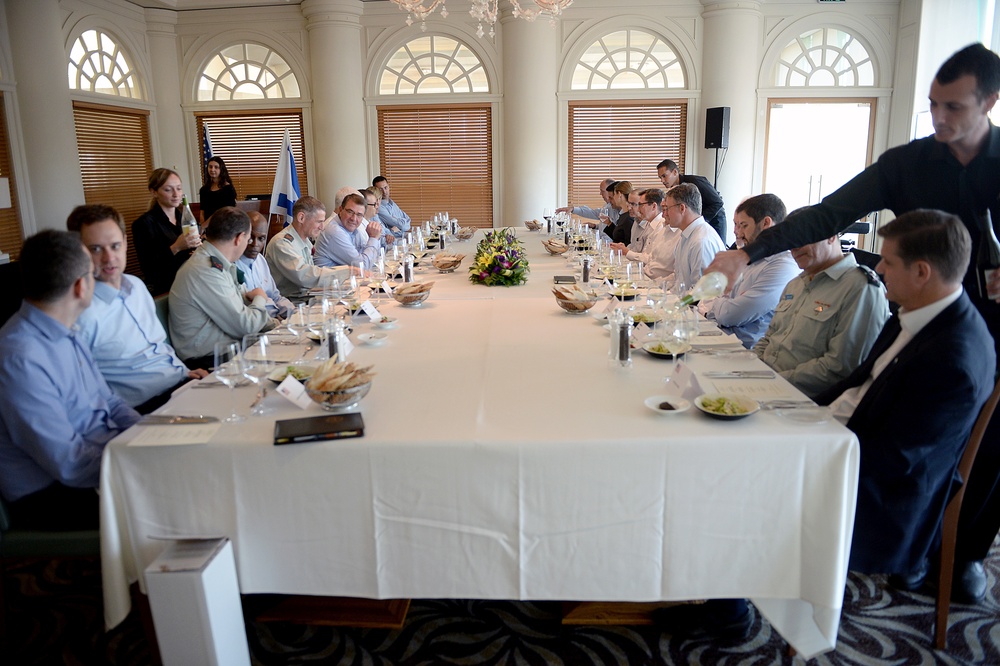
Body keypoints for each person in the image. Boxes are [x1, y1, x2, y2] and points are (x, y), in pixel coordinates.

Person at [706, 43, 1000, 602]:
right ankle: (900, 533)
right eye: (933, 104)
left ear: (989, 101)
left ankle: (960, 554)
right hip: (919, 306)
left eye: (954, 108)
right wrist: (748, 253)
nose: (939, 119)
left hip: (981, 319)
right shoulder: (909, 164)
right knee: (876, 399)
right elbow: (828, 214)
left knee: (987, 448)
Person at [817, 210, 994, 578]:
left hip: (882, 495)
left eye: (888, 260)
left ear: (921, 272)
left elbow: (894, 459)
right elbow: (857, 382)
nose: (878, 268)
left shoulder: (952, 359)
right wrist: (796, 410)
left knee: (742, 476)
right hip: (846, 439)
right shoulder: (916, 310)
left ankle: (729, 609)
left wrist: (801, 451)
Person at [0, 230, 140, 530]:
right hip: (52, 495)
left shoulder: (66, 329)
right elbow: (69, 463)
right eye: (92, 273)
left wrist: (146, 435)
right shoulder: (19, 357)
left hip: (101, 459)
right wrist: (135, 460)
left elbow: (111, 402)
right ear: (80, 286)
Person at [68, 205, 208, 413]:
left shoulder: (136, 286)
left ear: (125, 243)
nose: (109, 258)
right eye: (96, 249)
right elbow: (85, 392)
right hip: (144, 408)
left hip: (181, 383)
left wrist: (183, 372)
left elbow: (158, 348)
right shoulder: (79, 312)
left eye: (115, 245)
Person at [754, 233, 890, 399]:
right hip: (765, 385)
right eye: (790, 242)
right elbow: (769, 338)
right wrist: (752, 370)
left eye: (800, 240)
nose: (794, 249)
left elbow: (841, 367)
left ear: (830, 236)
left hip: (807, 400)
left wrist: (774, 382)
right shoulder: (796, 284)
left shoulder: (861, 287)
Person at [169, 206, 276, 368]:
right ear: (239, 238)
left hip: (232, 350)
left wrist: (277, 326)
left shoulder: (219, 263)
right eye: (248, 239)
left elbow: (244, 306)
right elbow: (245, 326)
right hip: (211, 360)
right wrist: (261, 297)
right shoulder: (206, 271)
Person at [698, 194, 800, 348]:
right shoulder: (751, 256)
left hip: (747, 352)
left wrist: (719, 303)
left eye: (744, 226)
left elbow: (730, 315)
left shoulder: (782, 266)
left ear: (766, 223)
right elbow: (714, 299)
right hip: (720, 337)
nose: (738, 233)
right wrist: (723, 303)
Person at [264, 195, 352, 300]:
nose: (322, 227)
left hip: (305, 297)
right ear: (301, 218)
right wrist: (347, 271)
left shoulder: (304, 240)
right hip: (289, 303)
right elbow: (305, 276)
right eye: (319, 221)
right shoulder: (282, 243)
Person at [132, 168, 201, 295]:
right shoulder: (143, 224)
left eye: (179, 188)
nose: (176, 194)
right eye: (168, 190)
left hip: (192, 281)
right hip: (168, 288)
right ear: (154, 192)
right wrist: (176, 247)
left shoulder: (184, 218)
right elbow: (148, 268)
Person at [663, 183, 727, 292]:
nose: (664, 214)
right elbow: (679, 279)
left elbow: (702, 294)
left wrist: (673, 304)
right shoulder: (686, 235)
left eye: (667, 208)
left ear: (682, 208)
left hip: (697, 307)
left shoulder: (701, 242)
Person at [237, 211, 296, 320]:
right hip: (260, 325)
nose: (255, 244)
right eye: (251, 238)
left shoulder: (260, 260)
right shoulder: (232, 265)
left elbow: (275, 297)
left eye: (261, 239)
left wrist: (297, 314)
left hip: (277, 320)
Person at [610, 188, 679, 281]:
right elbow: (644, 253)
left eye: (640, 205)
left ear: (654, 206)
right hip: (647, 275)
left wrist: (626, 252)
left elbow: (649, 259)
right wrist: (626, 249)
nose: (637, 209)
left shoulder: (661, 227)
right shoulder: (647, 223)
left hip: (655, 280)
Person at [658, 158, 727, 242]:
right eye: (660, 177)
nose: (662, 180)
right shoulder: (675, 190)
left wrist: (699, 220)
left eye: (664, 176)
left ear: (675, 172)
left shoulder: (695, 182)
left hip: (715, 220)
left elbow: (718, 202)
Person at [315, 192, 384, 271]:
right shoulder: (334, 232)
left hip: (347, 280)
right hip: (331, 282)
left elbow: (373, 259)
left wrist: (374, 238)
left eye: (359, 215)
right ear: (340, 210)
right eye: (350, 212)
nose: (353, 218)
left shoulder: (352, 229)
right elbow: (363, 266)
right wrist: (373, 238)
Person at [198, 156, 238, 224]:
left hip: (224, 226)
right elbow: (202, 211)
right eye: (210, 167)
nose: (212, 170)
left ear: (221, 169)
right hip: (208, 228)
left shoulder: (228, 189)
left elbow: (225, 212)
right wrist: (202, 226)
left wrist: (205, 225)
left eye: (216, 167)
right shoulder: (204, 190)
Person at [374, 176, 412, 240]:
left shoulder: (392, 203)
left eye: (386, 187)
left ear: (389, 187)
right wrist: (400, 222)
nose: (384, 191)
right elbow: (402, 225)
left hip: (402, 238)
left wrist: (399, 224)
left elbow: (408, 220)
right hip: (394, 241)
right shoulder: (379, 208)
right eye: (380, 189)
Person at [603, 181, 635, 245]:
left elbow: (628, 243)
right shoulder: (623, 214)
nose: (613, 198)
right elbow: (618, 236)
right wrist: (609, 223)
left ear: (620, 195)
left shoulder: (629, 217)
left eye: (614, 195)